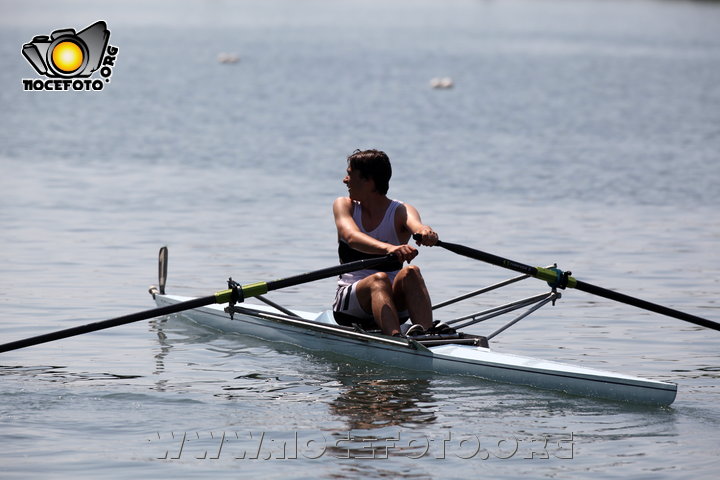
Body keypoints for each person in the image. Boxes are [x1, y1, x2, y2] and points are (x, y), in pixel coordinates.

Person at [332, 149, 449, 337]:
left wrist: (426, 233)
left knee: (412, 271)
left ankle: (427, 334)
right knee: (379, 279)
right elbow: (352, 237)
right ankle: (395, 339)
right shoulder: (344, 205)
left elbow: (417, 226)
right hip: (351, 303)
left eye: (349, 174)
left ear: (368, 181)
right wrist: (390, 248)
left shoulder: (401, 210)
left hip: (395, 302)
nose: (345, 180)